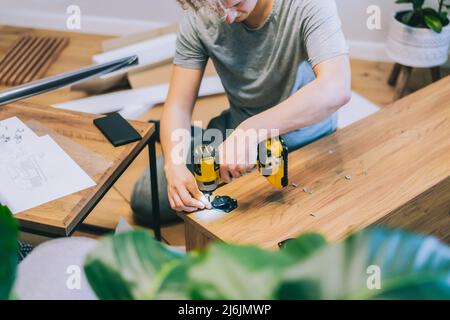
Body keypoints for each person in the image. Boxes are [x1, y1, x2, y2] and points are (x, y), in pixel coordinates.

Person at [131, 0, 351, 225]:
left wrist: (250, 130)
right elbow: (178, 105)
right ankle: (196, 138)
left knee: (286, 228)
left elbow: (336, 88)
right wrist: (174, 164)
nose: (226, 17)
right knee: (146, 199)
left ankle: (201, 137)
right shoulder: (199, 15)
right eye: (216, 8)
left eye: (235, 3)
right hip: (235, 132)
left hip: (304, 141)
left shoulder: (307, 5)